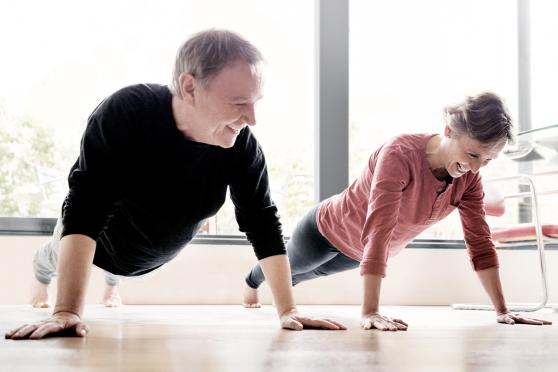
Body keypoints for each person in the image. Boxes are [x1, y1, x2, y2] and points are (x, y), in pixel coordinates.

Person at [5, 29, 345, 340]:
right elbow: (85, 209)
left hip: (150, 250)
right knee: (52, 255)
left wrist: (289, 311)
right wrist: (66, 312)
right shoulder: (127, 113)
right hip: (100, 241)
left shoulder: (240, 145)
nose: (252, 119)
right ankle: (43, 275)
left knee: (122, 268)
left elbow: (263, 223)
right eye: (240, 103)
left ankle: (112, 280)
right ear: (190, 87)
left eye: (255, 103)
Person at [243, 92, 552, 330]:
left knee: (301, 278)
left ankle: (272, 284)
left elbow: (480, 243)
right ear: (449, 130)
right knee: (292, 267)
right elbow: (380, 226)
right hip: (326, 231)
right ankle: (251, 281)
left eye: (486, 160)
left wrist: (502, 310)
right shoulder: (400, 154)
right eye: (472, 153)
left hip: (357, 253)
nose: (474, 167)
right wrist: (370, 312)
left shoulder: (469, 181)